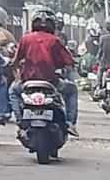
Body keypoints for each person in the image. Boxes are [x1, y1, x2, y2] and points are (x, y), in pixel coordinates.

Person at [9, 8, 80, 136]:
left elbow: (17, 59)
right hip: (51, 82)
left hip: (28, 82)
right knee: (72, 89)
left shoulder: (26, 38)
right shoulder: (55, 40)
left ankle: (20, 119)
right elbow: (67, 61)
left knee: (13, 91)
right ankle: (69, 122)